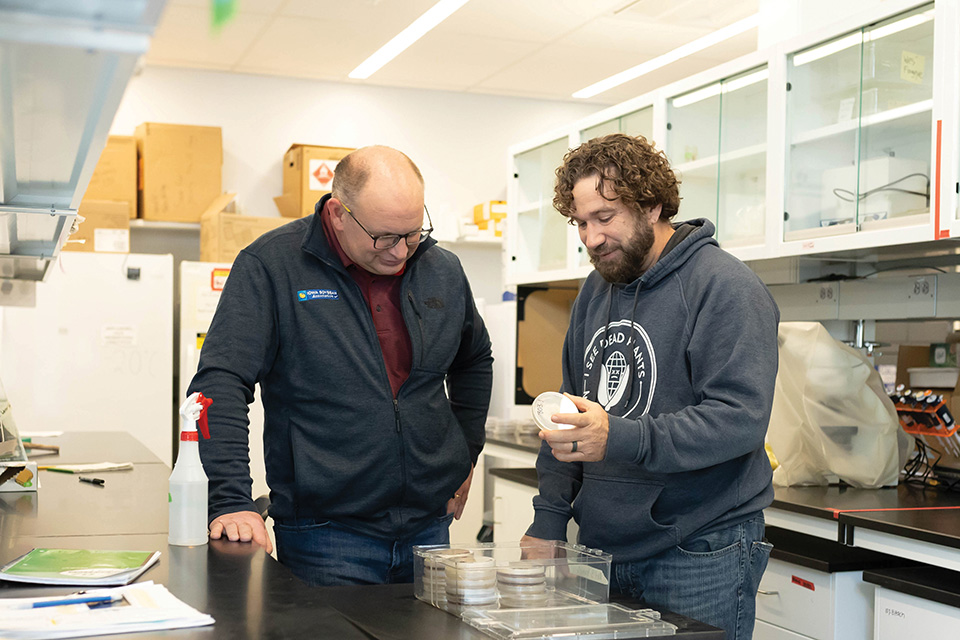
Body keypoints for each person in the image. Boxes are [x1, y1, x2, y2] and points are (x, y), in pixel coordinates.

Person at [189, 145, 493, 587]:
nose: (399, 252)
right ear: (337, 213)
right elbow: (220, 381)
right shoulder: (272, 265)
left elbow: (474, 359)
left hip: (429, 531)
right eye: (384, 237)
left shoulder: (442, 269)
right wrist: (230, 498)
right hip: (325, 536)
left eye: (412, 233)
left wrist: (465, 454)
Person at [521, 133, 779, 640]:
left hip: (702, 548)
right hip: (605, 547)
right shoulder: (596, 290)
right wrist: (549, 519)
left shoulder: (725, 287)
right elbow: (566, 413)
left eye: (605, 217)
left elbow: (739, 418)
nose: (591, 238)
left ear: (652, 204)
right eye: (581, 222)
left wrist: (617, 436)